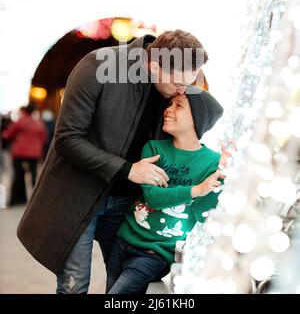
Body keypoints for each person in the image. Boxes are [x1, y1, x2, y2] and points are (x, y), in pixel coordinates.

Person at [17, 30, 209, 294]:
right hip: (79, 197)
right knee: (74, 285)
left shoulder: (173, 84)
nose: (182, 91)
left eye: (188, 84)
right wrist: (128, 170)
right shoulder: (97, 65)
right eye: (178, 84)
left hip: (130, 205)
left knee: (124, 288)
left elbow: (192, 124)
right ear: (154, 66)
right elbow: (67, 139)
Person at [106, 87, 224, 294]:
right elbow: (153, 197)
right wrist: (195, 190)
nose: (168, 109)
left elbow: (204, 212)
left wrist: (225, 175)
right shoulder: (154, 149)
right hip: (123, 240)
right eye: (170, 104)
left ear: (198, 118)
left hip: (157, 252)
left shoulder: (213, 163)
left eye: (178, 105)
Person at [2, 104, 48, 206]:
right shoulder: (39, 123)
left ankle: (14, 200)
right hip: (34, 153)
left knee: (18, 175)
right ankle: (36, 201)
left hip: (20, 152)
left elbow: (7, 134)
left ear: (24, 111)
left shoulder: (20, 121)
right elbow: (44, 138)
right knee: (34, 176)